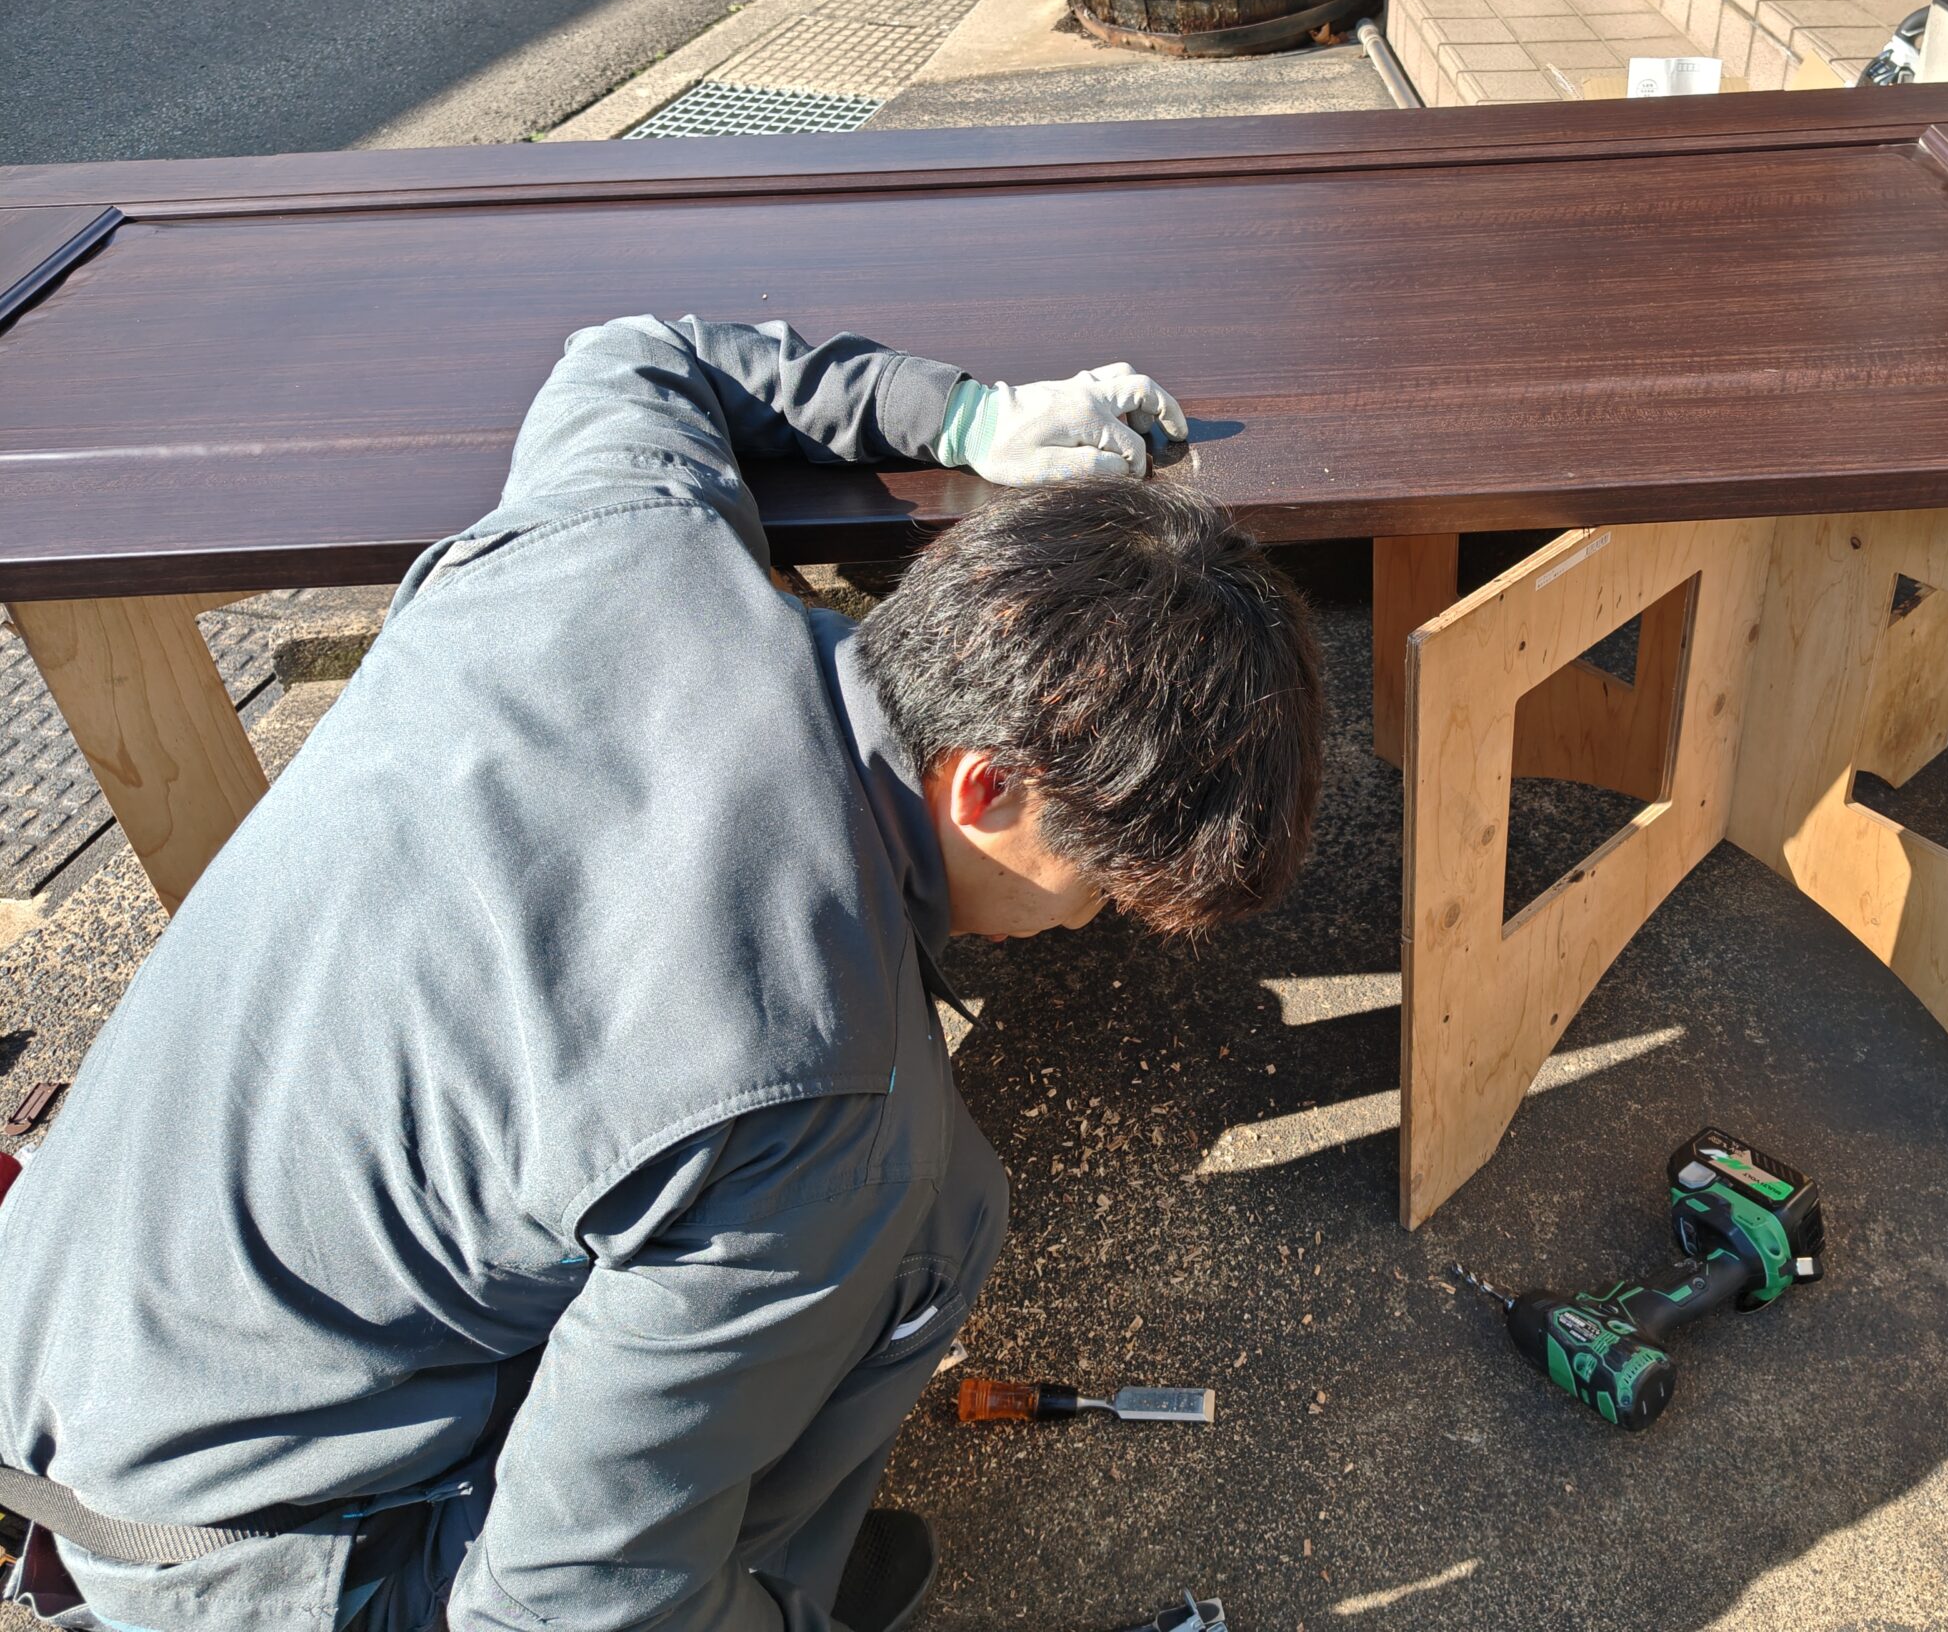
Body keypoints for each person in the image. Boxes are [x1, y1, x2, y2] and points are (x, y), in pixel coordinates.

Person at [0, 317, 1326, 1632]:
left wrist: (974, 417)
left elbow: (639, 352)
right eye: (1102, 883)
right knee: (926, 1221)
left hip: (58, 1339)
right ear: (985, 786)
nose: (1088, 919)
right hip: (254, 1555)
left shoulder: (625, 544)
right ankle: (771, 1592)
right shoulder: (822, 1098)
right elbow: (567, 1607)